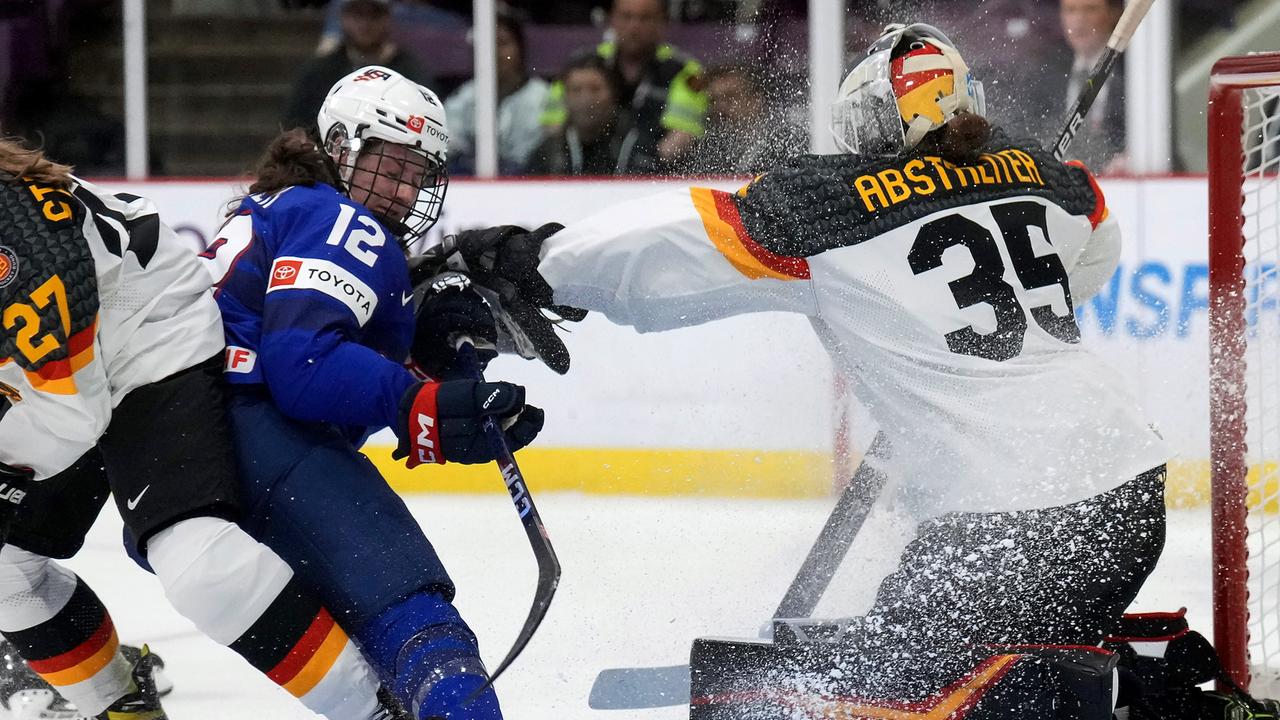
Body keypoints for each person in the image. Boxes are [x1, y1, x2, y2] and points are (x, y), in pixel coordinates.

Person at [442, 23, 1183, 714]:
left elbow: (680, 237)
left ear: (870, 123)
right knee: (986, 646)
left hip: (1015, 524)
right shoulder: (1051, 182)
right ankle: (1129, 672)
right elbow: (1093, 244)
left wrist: (536, 263)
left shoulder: (837, 206)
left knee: (882, 698)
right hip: (1128, 497)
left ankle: (1135, 690)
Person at [0, 138, 400, 719]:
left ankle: (375, 709)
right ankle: (120, 708)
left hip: (150, 340)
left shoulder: (16, 243)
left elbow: (72, 413)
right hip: (67, 384)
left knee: (199, 565)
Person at [199, 66, 543, 720]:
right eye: (392, 164)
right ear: (340, 146)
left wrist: (436, 374)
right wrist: (424, 404)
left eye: (419, 173)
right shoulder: (339, 221)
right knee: (420, 630)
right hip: (261, 442)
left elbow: (321, 355)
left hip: (187, 472)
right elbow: (303, 367)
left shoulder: (288, 208)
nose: (406, 187)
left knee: (375, 692)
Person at [538, 0, 707, 166]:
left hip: (652, 169)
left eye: (645, 18)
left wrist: (639, 167)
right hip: (584, 163)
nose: (634, 27)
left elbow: (681, 137)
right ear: (611, 19)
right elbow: (553, 126)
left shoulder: (684, 71)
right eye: (626, 17)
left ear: (662, 21)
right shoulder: (584, 64)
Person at [283, 0, 429, 134]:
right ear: (342, 17)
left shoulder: (410, 73)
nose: (365, 24)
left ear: (387, 18)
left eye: (374, 15)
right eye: (357, 15)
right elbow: (295, 126)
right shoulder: (318, 71)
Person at [443, 7, 549, 175]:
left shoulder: (543, 97)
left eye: (502, 43)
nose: (495, 52)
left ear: (520, 48)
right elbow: (447, 145)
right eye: (487, 44)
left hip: (529, 182)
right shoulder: (464, 96)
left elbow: (547, 154)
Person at [527, 54, 656, 176]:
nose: (586, 99)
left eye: (595, 89)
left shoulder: (639, 145)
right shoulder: (548, 152)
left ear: (614, 94)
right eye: (576, 90)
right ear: (564, 98)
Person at [682, 64, 805, 175]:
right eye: (713, 100)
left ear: (756, 100)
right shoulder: (708, 148)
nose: (720, 108)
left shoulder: (788, 144)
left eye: (730, 98)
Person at [1056, 0, 1126, 172]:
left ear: (1114, 14)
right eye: (1071, 10)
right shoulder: (1045, 72)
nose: (1079, 20)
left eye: (1091, 9)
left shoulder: (1136, 74)